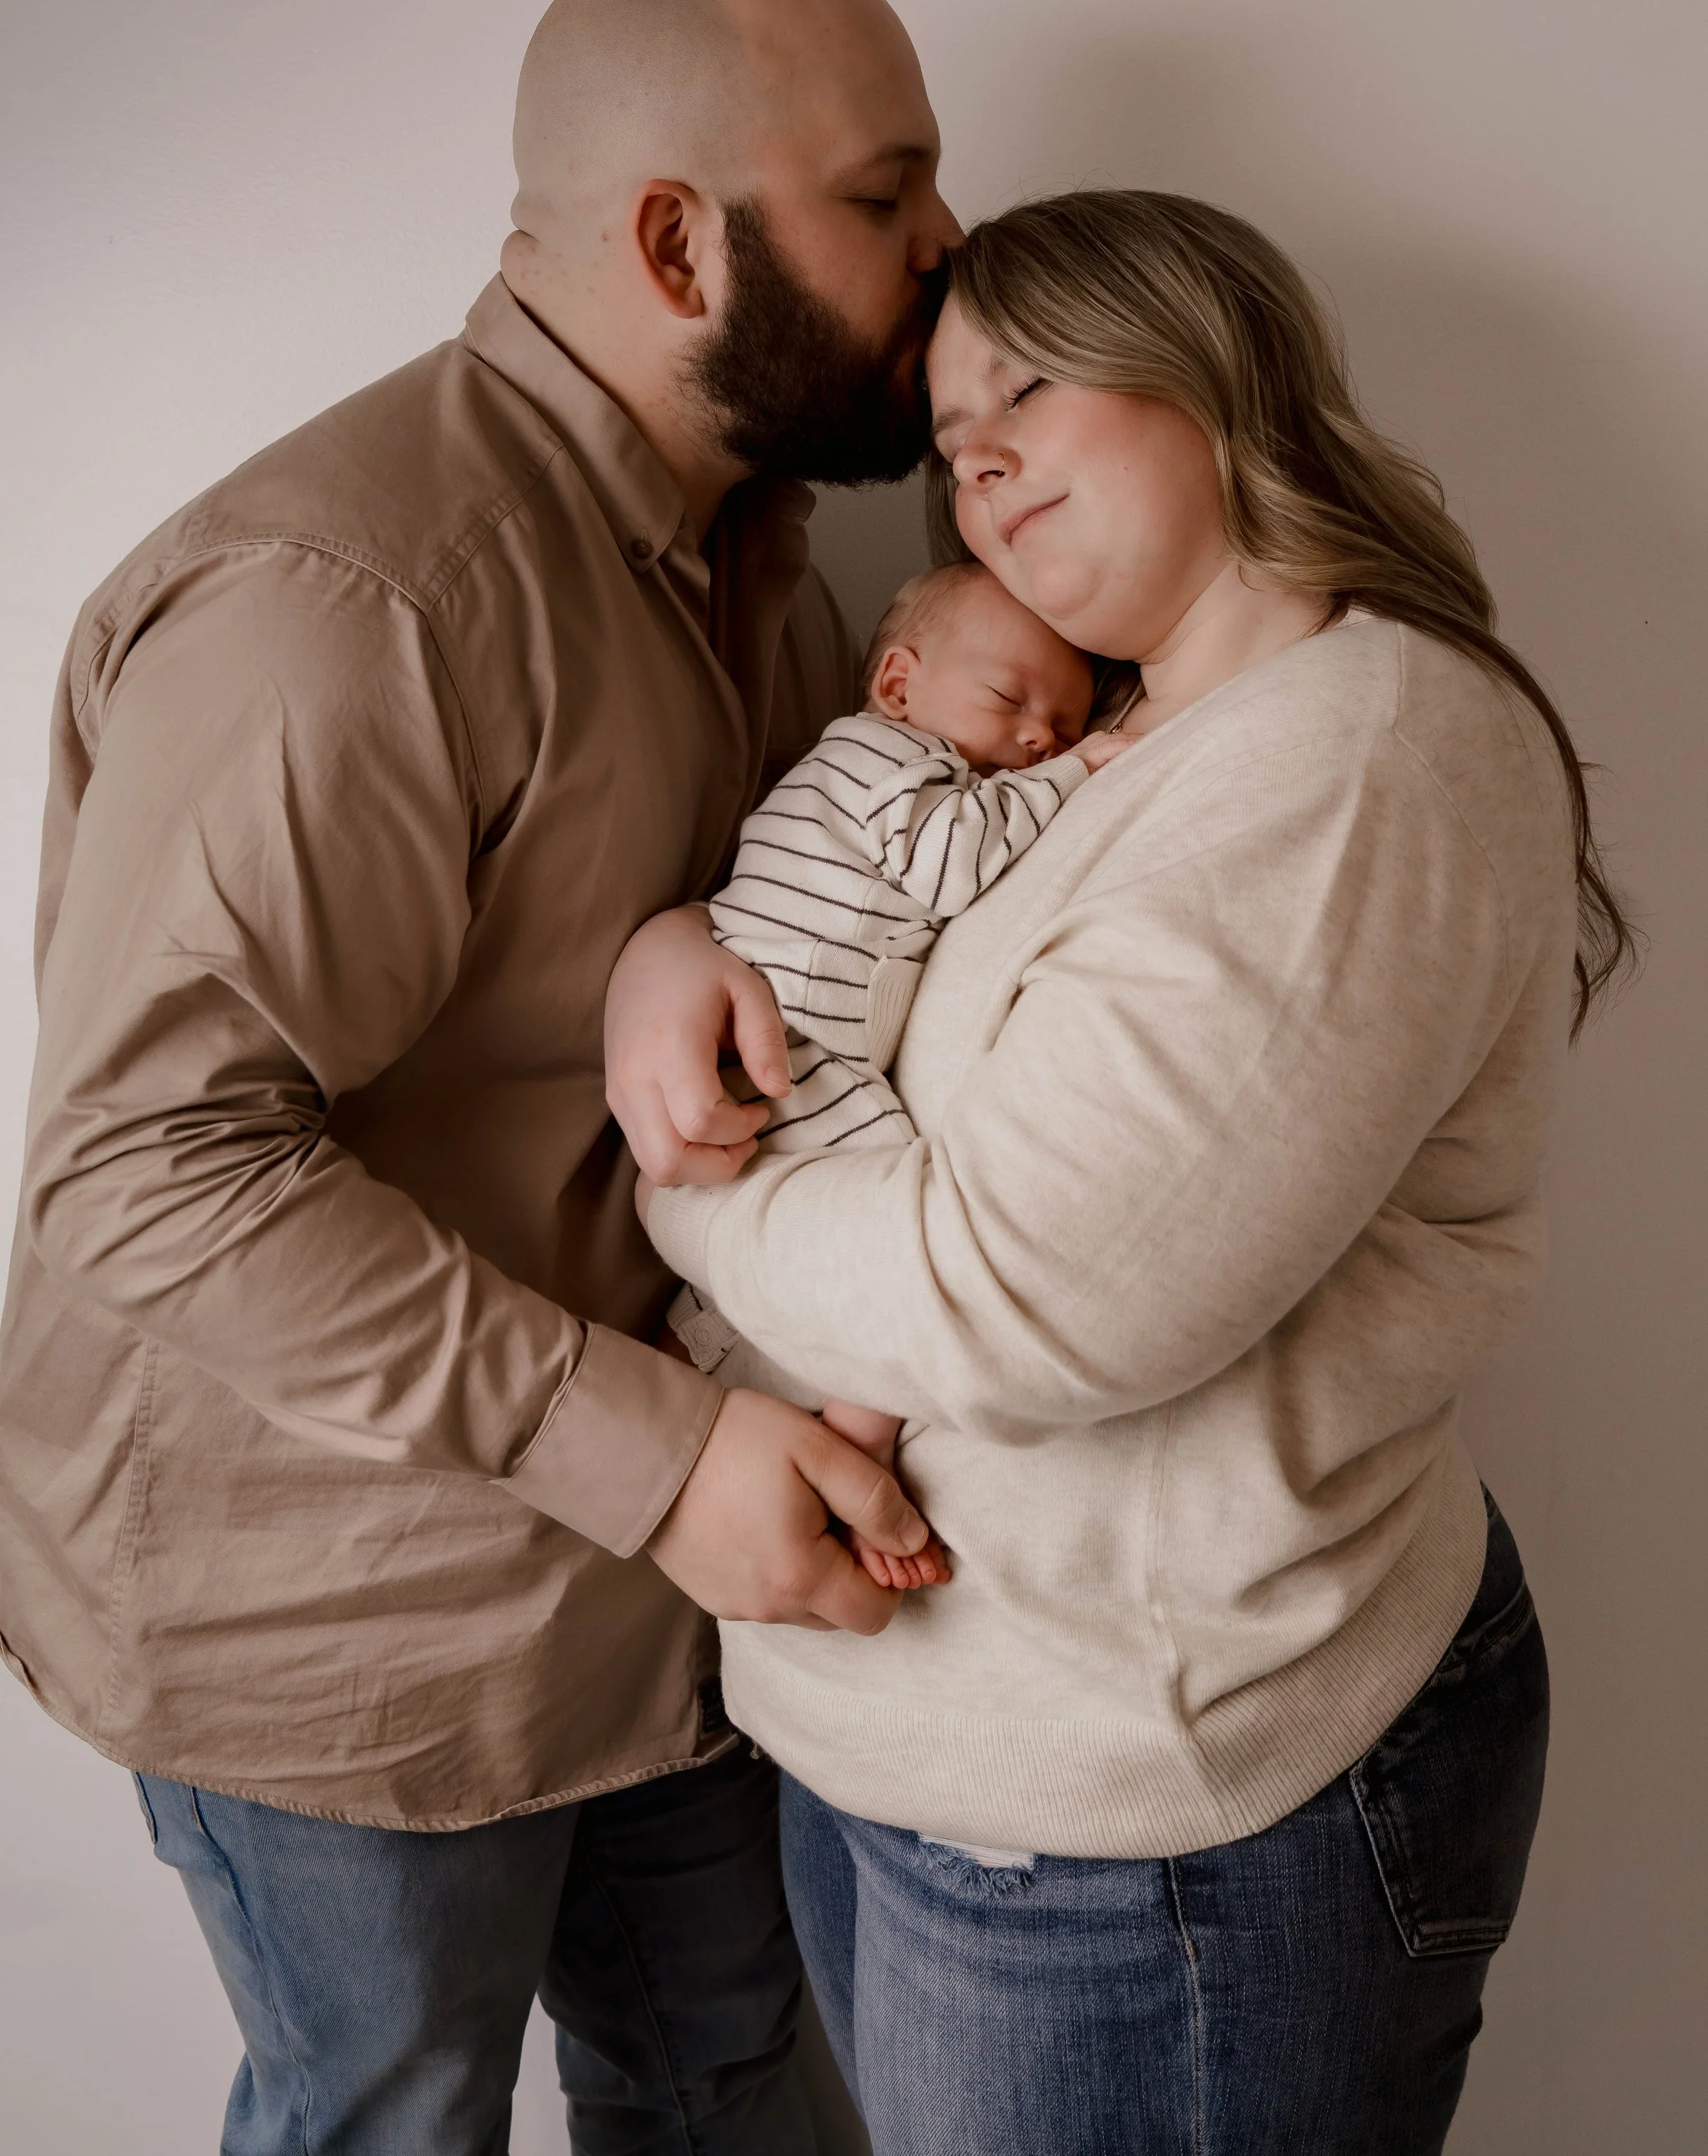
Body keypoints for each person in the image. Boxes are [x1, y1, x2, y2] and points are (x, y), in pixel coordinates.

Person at [0, 0, 962, 2156]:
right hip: (331, 1616)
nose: (947, 251)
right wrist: (663, 1455)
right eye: (888, 194)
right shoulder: (359, 602)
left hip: (662, 1579)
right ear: (673, 240)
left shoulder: (774, 567)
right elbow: (146, 1168)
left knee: (735, 2091)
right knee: (393, 2119)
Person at [609, 188, 1636, 2156]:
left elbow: (1022, 1302)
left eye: (1031, 386)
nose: (973, 450)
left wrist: (679, 1166)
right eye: (948, 427)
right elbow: (847, 950)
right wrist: (673, 958)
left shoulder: (1347, 764)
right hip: (926, 1754)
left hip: (1146, 1829)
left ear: (1216, 373)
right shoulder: (1098, 732)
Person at [666, 558, 1116, 1590]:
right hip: (790, 1047)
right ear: (900, 685)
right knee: (896, 1246)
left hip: (786, 1045)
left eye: (1065, 719)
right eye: (1012, 701)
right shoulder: (878, 759)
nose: (1041, 734)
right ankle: (860, 1444)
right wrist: (1079, 773)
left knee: (776, 1264)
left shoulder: (904, 765)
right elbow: (949, 866)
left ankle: (700, 1358)